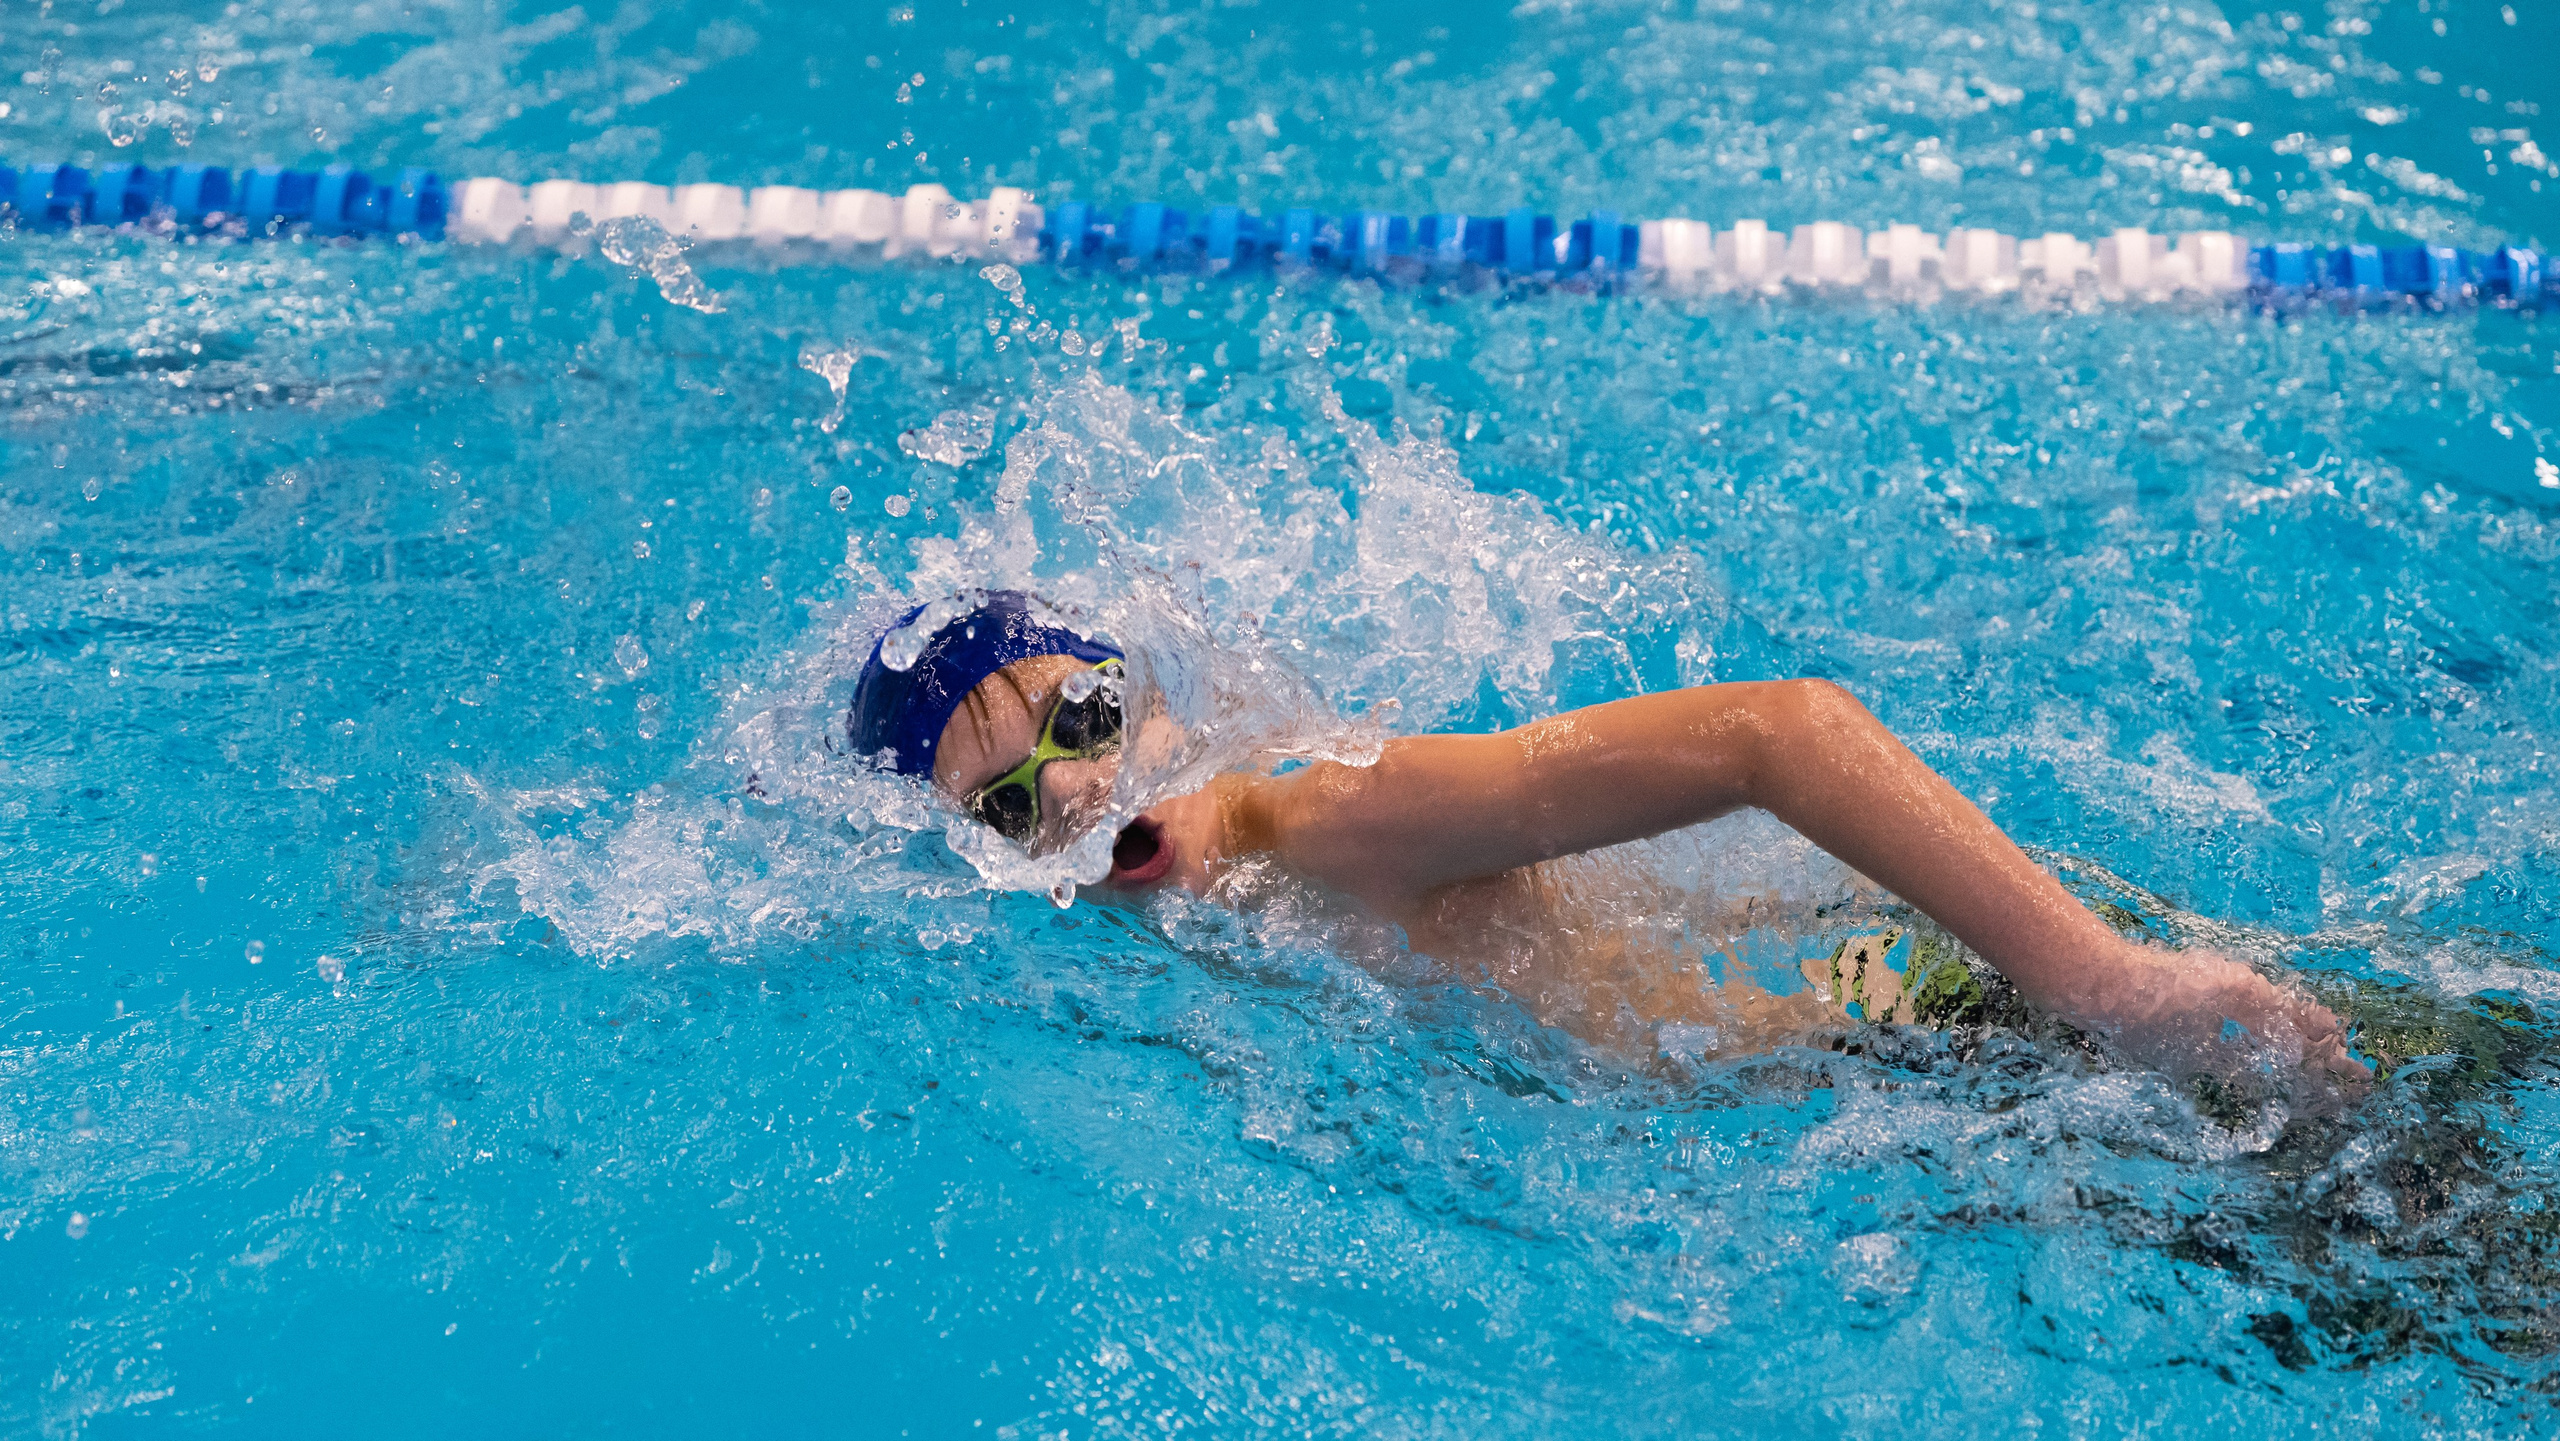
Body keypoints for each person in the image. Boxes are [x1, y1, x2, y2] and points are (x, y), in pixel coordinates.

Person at [848, 591, 2367, 1106]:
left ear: (1151, 692)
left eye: (1084, 718)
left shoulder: (1323, 815)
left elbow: (1780, 730)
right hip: (1893, 1059)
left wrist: (2108, 986)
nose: (1075, 794)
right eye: (1008, 806)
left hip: (1958, 1041)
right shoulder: (1194, 916)